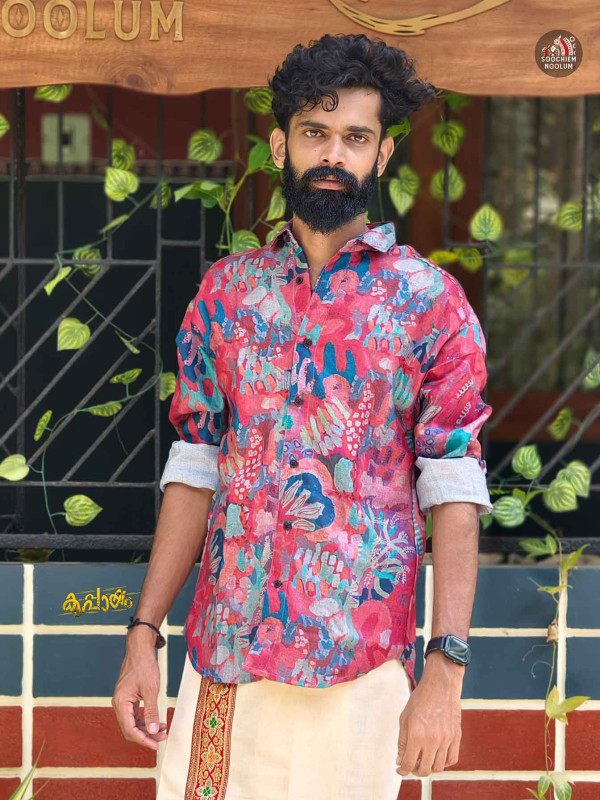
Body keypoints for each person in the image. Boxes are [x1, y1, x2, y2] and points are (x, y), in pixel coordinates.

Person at [112, 32, 493, 800]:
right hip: (225, 658)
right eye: (316, 133)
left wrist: (445, 669)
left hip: (360, 669)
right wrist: (144, 635)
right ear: (282, 145)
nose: (334, 154)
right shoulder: (227, 294)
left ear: (381, 155)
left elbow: (453, 486)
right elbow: (196, 464)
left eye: (356, 137)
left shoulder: (428, 303)